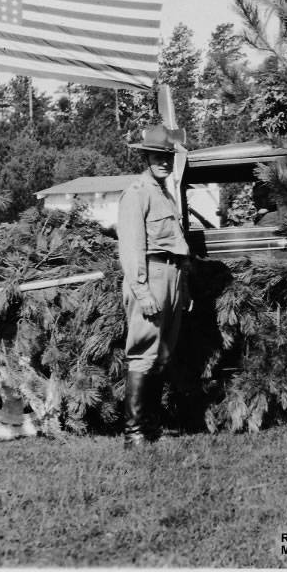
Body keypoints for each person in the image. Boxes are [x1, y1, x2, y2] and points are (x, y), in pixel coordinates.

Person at [116, 124, 190, 448]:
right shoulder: (137, 193)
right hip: (151, 275)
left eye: (167, 157)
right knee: (143, 353)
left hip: (172, 276)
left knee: (163, 354)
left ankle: (150, 425)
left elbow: (177, 244)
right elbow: (131, 249)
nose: (163, 162)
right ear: (145, 156)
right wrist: (143, 292)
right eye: (157, 156)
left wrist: (182, 288)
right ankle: (133, 433)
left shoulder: (165, 194)